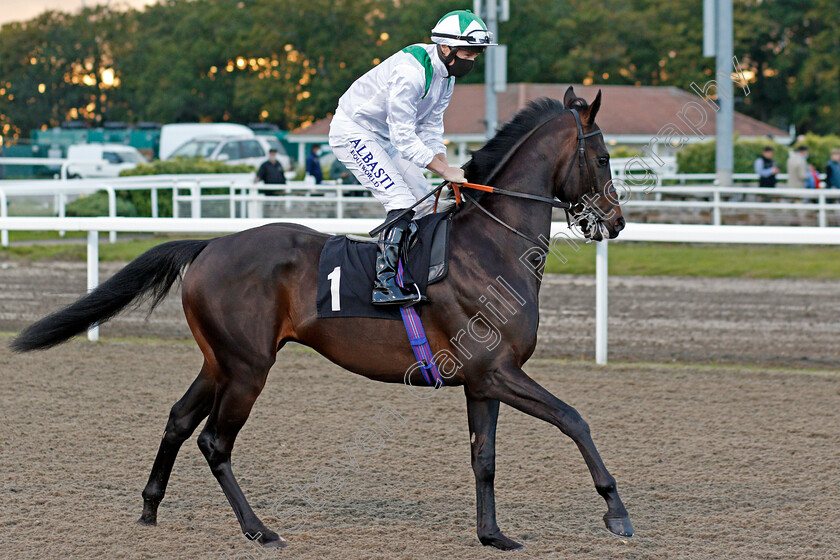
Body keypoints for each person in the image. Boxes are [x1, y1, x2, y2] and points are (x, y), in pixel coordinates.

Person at [329, 9, 496, 306]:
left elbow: (431, 127)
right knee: (402, 202)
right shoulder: (412, 73)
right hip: (355, 131)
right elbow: (404, 135)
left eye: (476, 53)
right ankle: (384, 284)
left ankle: (416, 274)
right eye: (469, 52)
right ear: (446, 47)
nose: (473, 59)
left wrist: (443, 168)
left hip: (387, 137)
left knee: (426, 204)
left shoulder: (446, 77)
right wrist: (444, 172)